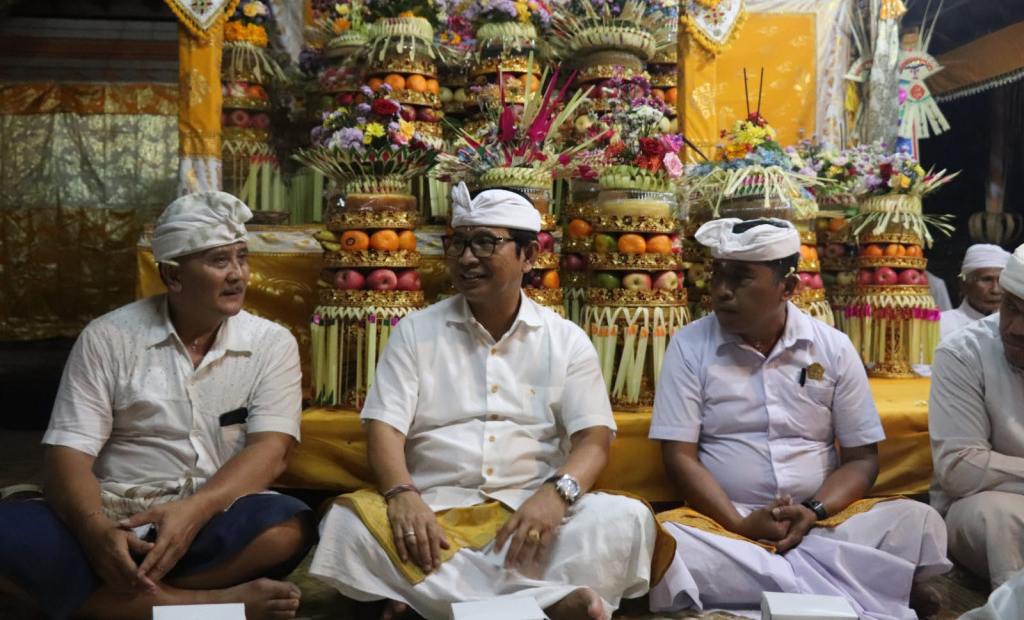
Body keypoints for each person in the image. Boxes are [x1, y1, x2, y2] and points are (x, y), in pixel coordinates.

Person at [310, 183, 661, 620]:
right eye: (457, 242)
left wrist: (555, 496)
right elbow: (384, 427)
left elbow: (593, 439)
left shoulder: (566, 339)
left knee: (626, 518)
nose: (466, 258)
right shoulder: (415, 331)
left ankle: (429, 601)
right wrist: (401, 494)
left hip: (530, 514)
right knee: (345, 525)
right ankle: (548, 603)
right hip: (433, 510)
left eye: (484, 243)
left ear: (529, 255)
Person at [0, 192, 316, 620]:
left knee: (285, 526)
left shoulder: (271, 343)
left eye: (241, 257)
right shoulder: (108, 337)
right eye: (219, 261)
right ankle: (204, 607)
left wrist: (192, 512)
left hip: (208, 514)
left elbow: (272, 450)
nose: (238, 274)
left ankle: (99, 599)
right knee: (9, 531)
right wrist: (96, 535)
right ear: (173, 275)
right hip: (112, 513)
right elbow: (67, 456)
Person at [648, 218, 951, 620]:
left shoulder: (833, 348)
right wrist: (740, 524)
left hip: (822, 524)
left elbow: (862, 459)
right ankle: (865, 587)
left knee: (917, 520)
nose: (721, 290)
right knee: (669, 540)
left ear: (788, 287)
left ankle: (775, 593)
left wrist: (811, 511)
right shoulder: (689, 346)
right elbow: (679, 456)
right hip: (725, 528)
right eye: (717, 274)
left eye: (740, 278)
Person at [930, 243, 1024, 590]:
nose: (1015, 328)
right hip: (983, 501)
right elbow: (960, 468)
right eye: (1011, 308)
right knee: (999, 518)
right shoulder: (963, 352)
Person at [939, 244, 1011, 341]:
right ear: (963, 284)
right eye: (987, 280)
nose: (995, 290)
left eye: (1001, 281)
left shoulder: (1014, 325)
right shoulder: (942, 325)